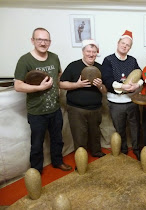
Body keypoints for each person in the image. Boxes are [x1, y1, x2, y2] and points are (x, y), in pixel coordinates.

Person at [14, 27, 72, 173]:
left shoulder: (54, 57)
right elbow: (18, 86)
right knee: (37, 143)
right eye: (39, 39)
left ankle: (57, 162)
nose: (43, 42)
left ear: (50, 42)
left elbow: (59, 75)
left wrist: (60, 87)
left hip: (55, 109)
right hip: (36, 111)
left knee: (57, 139)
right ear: (32, 40)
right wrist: (40, 88)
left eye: (46, 40)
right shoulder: (25, 60)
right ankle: (36, 171)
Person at [59, 39, 106, 158]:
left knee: (95, 135)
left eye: (94, 52)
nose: (91, 54)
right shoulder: (73, 66)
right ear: (83, 51)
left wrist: (99, 85)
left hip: (95, 109)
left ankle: (96, 153)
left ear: (97, 52)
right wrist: (77, 85)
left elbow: (105, 90)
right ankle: (81, 160)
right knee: (79, 136)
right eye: (88, 51)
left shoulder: (100, 67)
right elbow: (61, 84)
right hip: (76, 109)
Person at [101, 30, 143, 160]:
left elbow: (140, 75)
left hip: (131, 101)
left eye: (128, 45)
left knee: (135, 127)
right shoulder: (108, 60)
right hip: (115, 102)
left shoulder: (133, 60)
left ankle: (137, 149)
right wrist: (122, 86)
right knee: (120, 128)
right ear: (118, 43)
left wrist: (138, 85)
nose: (125, 46)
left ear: (130, 48)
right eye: (123, 43)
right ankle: (123, 150)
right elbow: (106, 80)